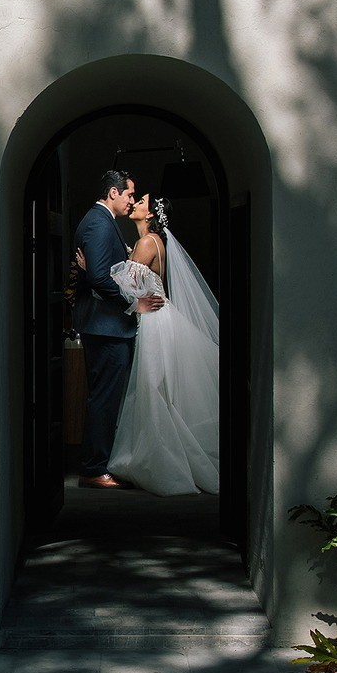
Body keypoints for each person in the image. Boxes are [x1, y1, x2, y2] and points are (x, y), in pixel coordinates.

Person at [105, 194, 221, 496]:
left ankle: (158, 463)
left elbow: (123, 285)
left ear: (150, 213)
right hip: (162, 315)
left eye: (140, 201)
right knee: (158, 388)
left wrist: (92, 267)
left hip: (154, 320)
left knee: (151, 388)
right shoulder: (155, 241)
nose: (135, 204)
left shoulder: (146, 243)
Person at [71, 171, 164, 489]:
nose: (130, 200)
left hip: (107, 325)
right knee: (105, 397)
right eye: (129, 194)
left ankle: (99, 463)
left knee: (107, 396)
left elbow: (101, 271)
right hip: (107, 326)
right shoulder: (98, 222)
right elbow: (99, 277)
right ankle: (93, 468)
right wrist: (133, 304)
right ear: (113, 192)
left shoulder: (101, 221)